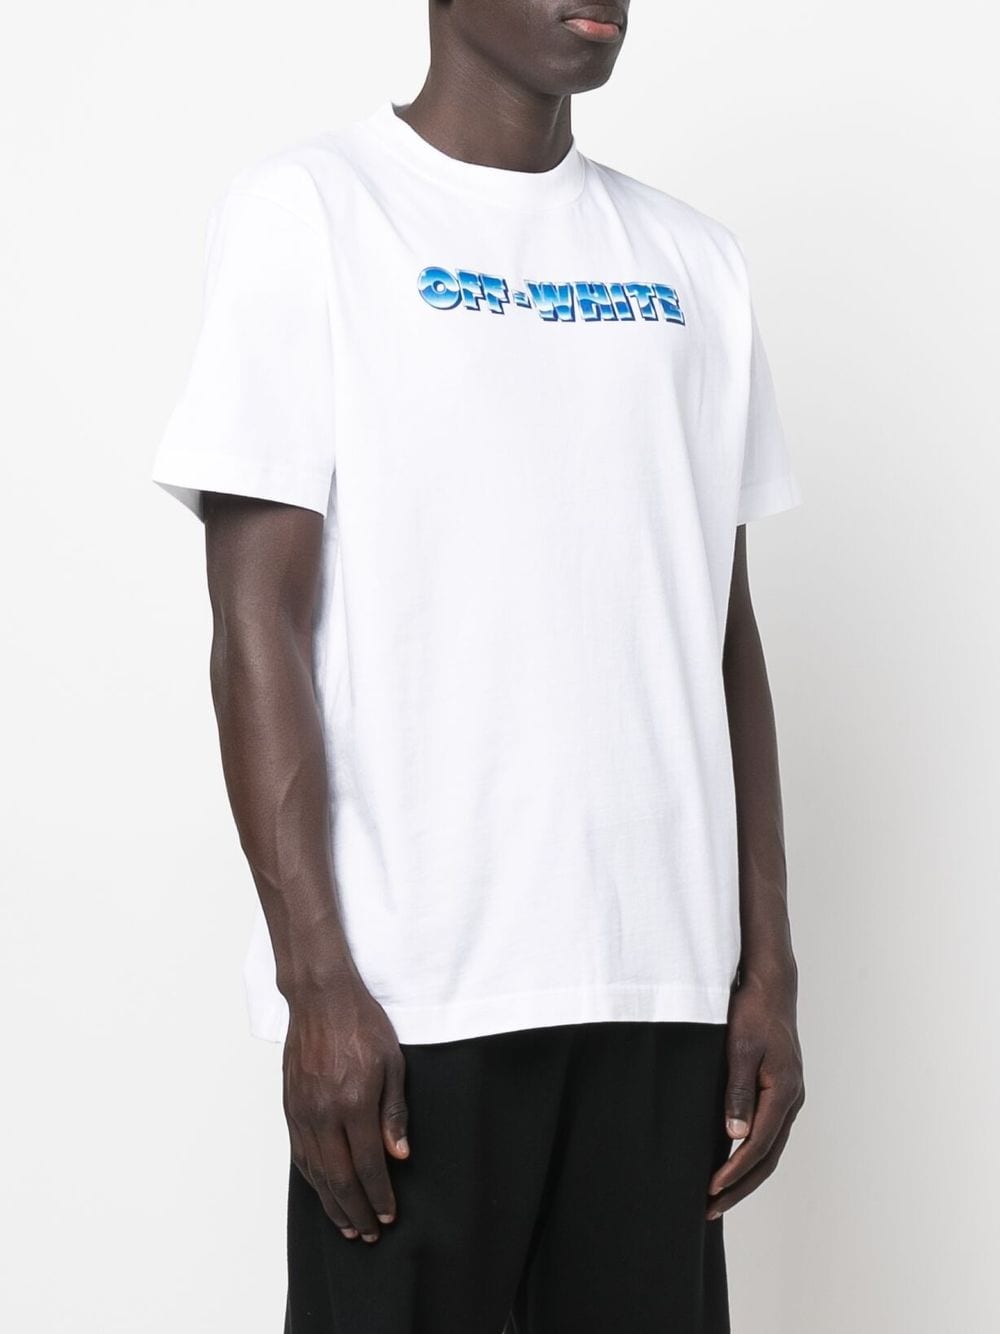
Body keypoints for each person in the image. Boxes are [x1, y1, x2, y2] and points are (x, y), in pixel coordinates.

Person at [152, 2, 805, 1329]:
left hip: (662, 987)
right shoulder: (313, 212)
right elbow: (256, 621)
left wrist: (768, 970)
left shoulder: (695, 261)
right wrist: (315, 982)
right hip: (415, 1002)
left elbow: (723, 630)